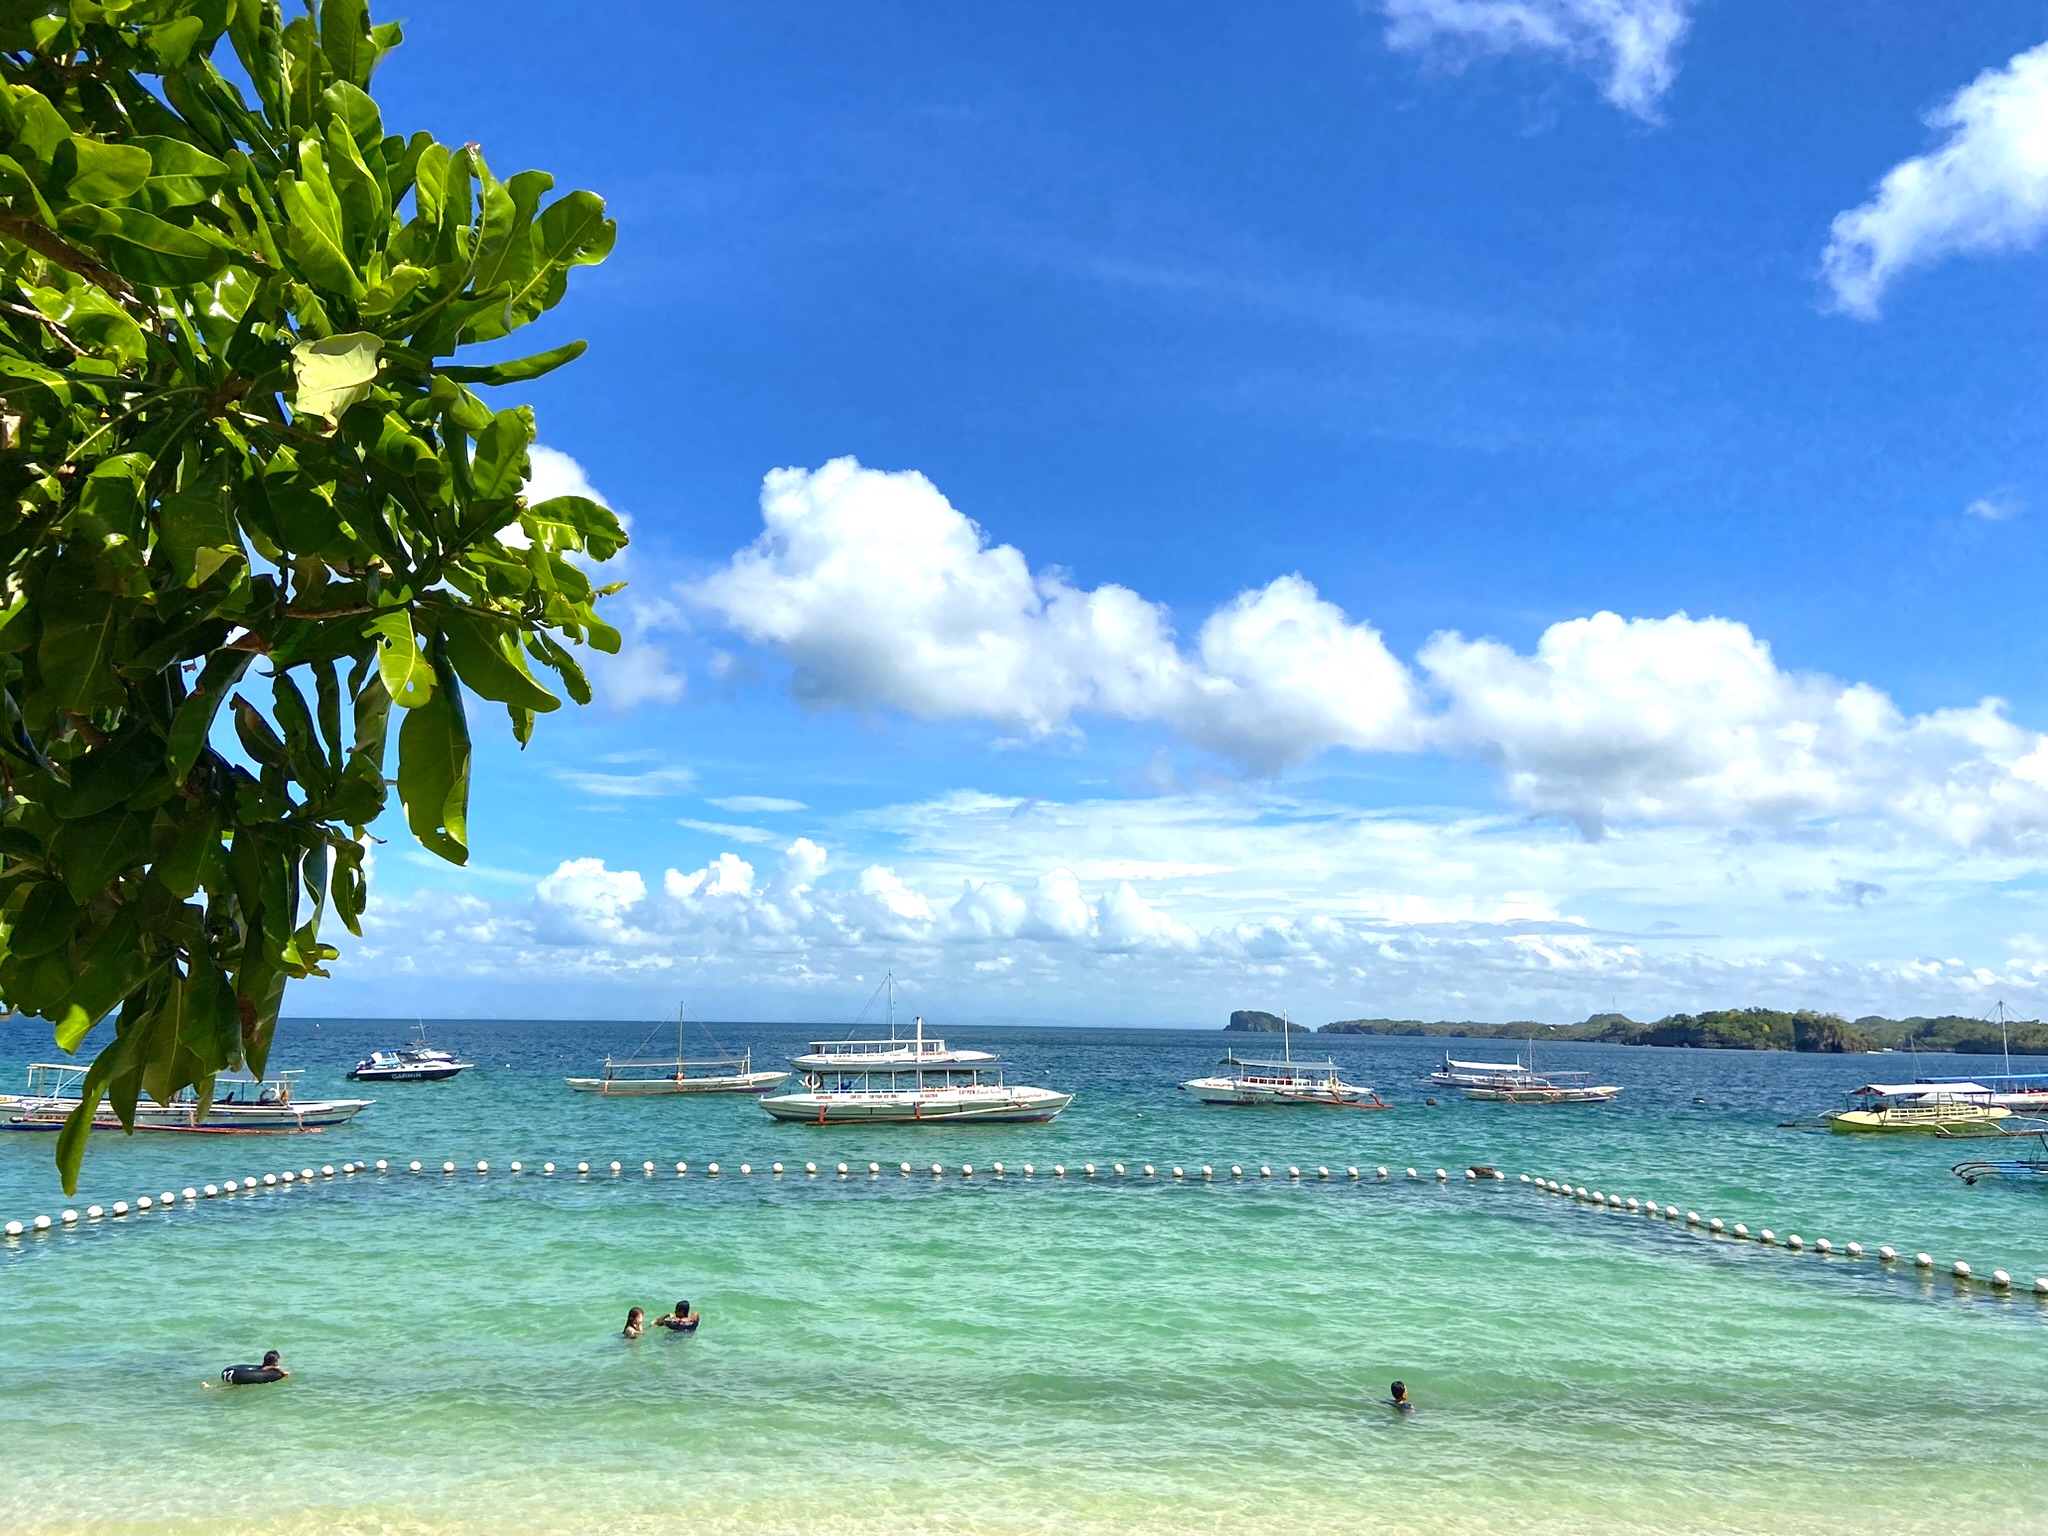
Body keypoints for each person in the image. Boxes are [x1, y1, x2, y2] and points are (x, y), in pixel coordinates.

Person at [220, 1350, 289, 1386]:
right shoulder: (272, 1371)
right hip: (243, 1377)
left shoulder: (262, 1368)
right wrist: (282, 1373)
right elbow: (281, 1373)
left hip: (233, 1375)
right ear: (276, 1362)